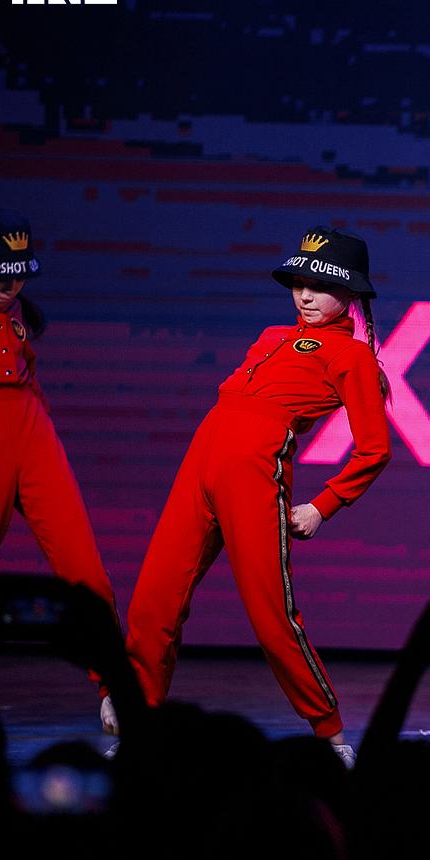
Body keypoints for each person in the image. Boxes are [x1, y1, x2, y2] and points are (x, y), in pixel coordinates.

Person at [124, 227, 392, 765]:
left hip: (254, 473)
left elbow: (375, 449)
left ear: (351, 293)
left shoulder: (353, 356)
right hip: (203, 457)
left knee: (272, 616)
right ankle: (138, 729)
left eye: (320, 286)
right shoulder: (271, 335)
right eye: (299, 284)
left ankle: (330, 736)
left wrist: (322, 506)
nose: (305, 296)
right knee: (154, 597)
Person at [0, 211, 122, 730]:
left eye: (16, 276)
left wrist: (40, 429)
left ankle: (115, 687)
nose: (8, 287)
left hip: (31, 428)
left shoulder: (19, 313)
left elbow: (27, 376)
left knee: (83, 565)